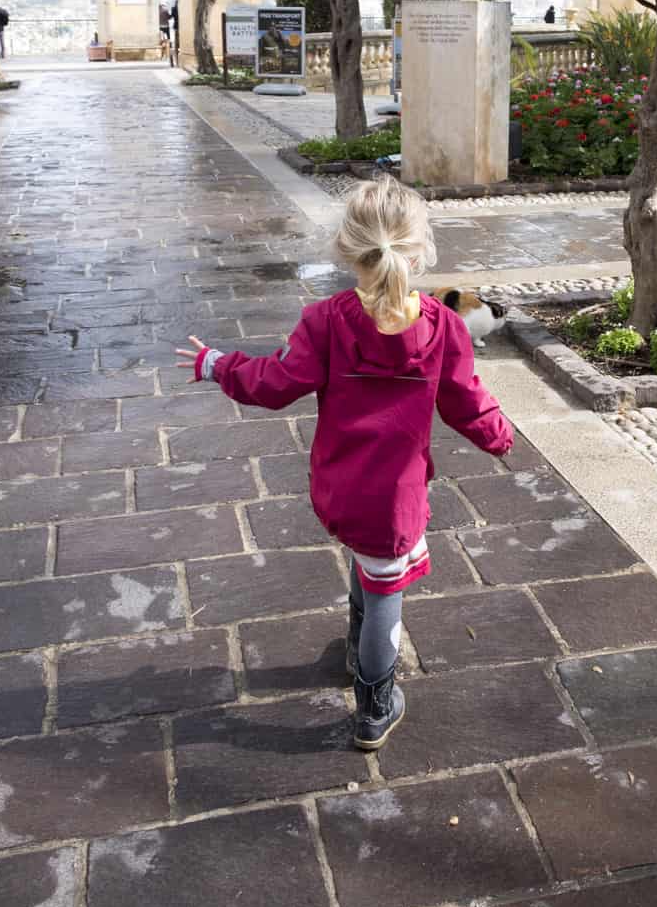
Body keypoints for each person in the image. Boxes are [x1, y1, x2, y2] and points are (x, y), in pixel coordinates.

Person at [177, 178, 513, 750]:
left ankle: (358, 639)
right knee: (388, 598)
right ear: (419, 249)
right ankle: (375, 706)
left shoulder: (325, 320)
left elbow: (276, 383)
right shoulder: (443, 328)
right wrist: (499, 438)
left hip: (338, 485)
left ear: (347, 249)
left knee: (368, 564)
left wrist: (218, 365)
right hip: (395, 498)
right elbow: (467, 402)